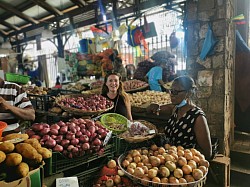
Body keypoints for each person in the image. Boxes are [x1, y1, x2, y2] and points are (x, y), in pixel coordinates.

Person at [147, 75, 212, 158]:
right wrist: (155, 107)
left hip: (183, 165)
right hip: (168, 159)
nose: (171, 95)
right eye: (171, 91)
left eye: (175, 92)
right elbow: (155, 109)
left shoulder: (198, 117)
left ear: (188, 93)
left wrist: (183, 156)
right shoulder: (175, 108)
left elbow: (207, 152)